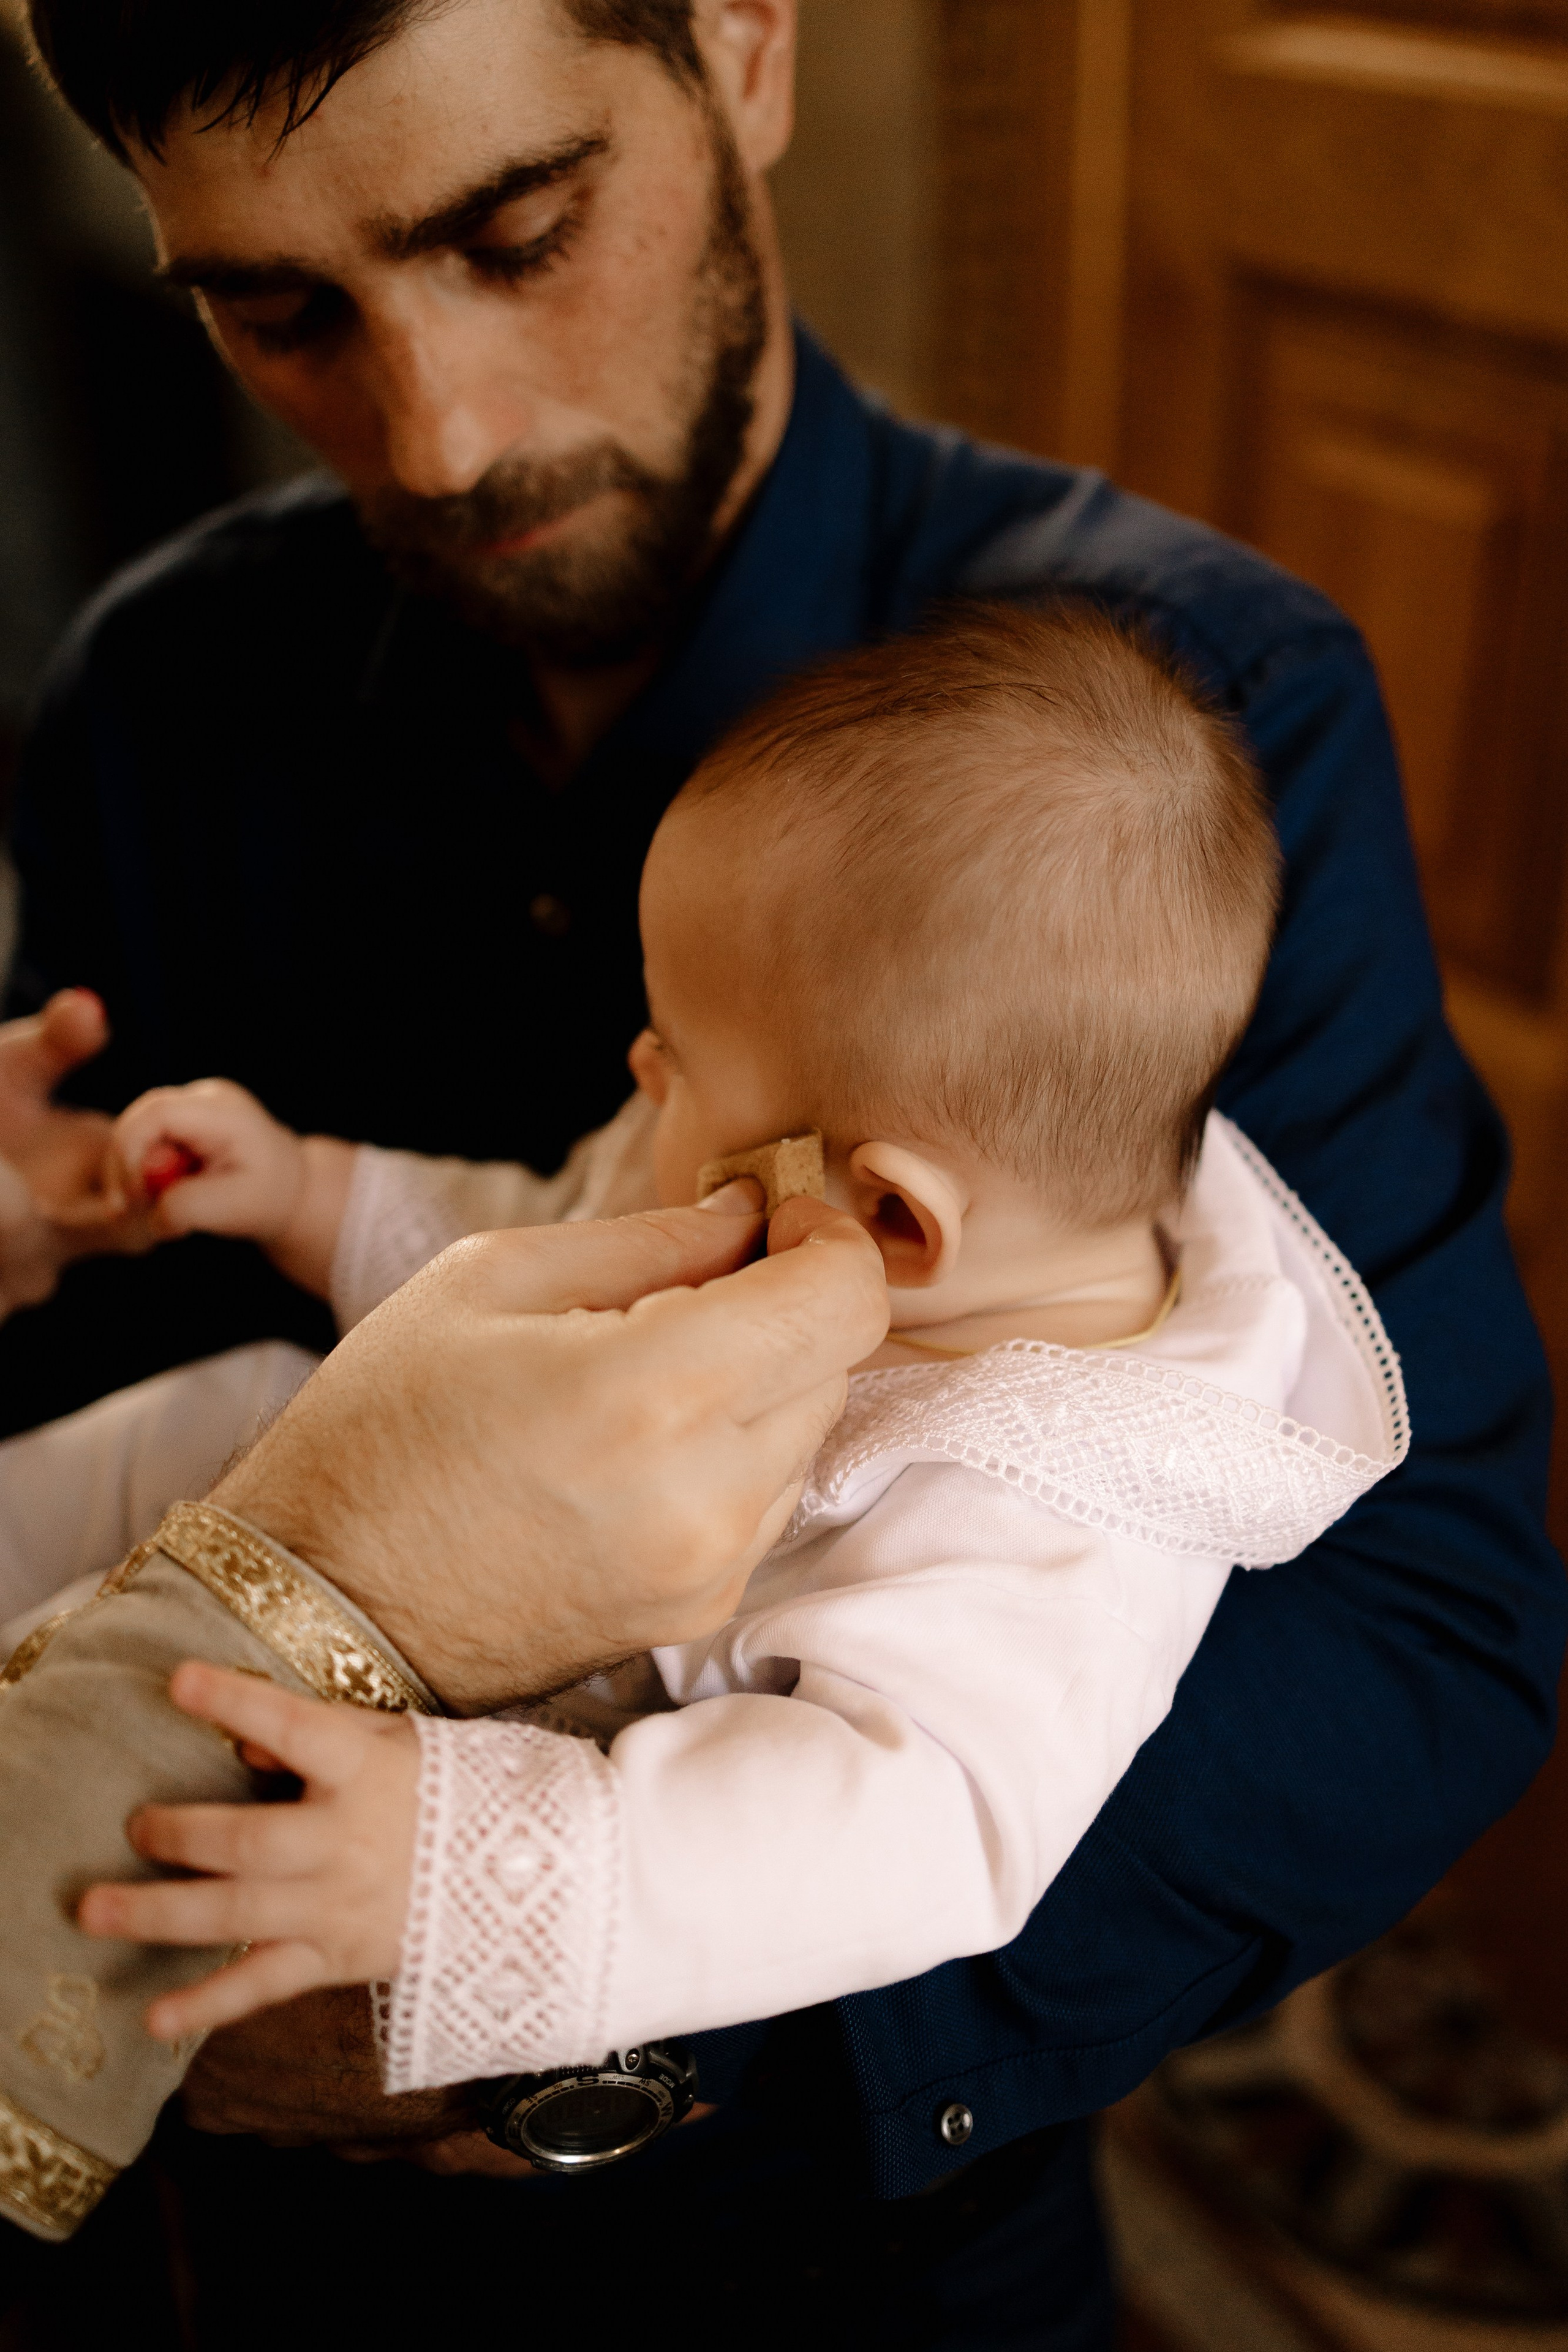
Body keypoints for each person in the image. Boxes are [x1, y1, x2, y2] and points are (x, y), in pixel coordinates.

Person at [0, 0, 1559, 2342]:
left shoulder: (1192, 734)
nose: (438, 434)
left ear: (742, 50)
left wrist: (561, 2026)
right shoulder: (155, 698)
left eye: (519, 234)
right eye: (280, 308)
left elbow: (1426, 1631)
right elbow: (184, 1415)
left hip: (849, 2255)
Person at [5, 605, 1404, 2234]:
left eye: (677, 1062)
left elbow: (911, 1825)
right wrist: (314, 1193)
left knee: (172, 1771)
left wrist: (468, 1868)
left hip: (521, 1762)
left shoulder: (1057, 1514)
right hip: (363, 1527)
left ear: (891, 1223)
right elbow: (550, 1240)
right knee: (223, 1420)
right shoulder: (817, 1180)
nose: (638, 1065)